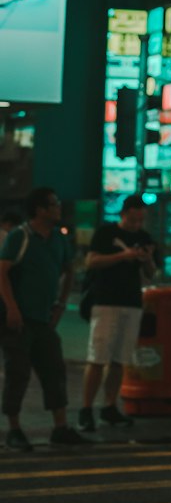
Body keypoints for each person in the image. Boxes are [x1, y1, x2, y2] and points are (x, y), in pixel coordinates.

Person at [0, 186, 87, 449]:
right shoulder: (20, 236)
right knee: (18, 372)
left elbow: (69, 270)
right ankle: (14, 429)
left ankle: (60, 426)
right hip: (19, 319)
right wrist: (12, 308)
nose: (59, 208)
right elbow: (1, 272)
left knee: (53, 370)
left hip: (44, 318)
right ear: (40, 209)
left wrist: (60, 304)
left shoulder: (59, 239)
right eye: (54, 204)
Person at [78, 194, 157, 432]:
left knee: (119, 359)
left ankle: (110, 406)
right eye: (133, 219)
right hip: (106, 301)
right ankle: (86, 408)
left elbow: (152, 273)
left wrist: (147, 259)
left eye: (140, 220)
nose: (136, 224)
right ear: (124, 214)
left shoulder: (144, 238)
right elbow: (91, 261)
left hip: (132, 302)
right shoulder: (106, 233)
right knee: (98, 357)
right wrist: (123, 256)